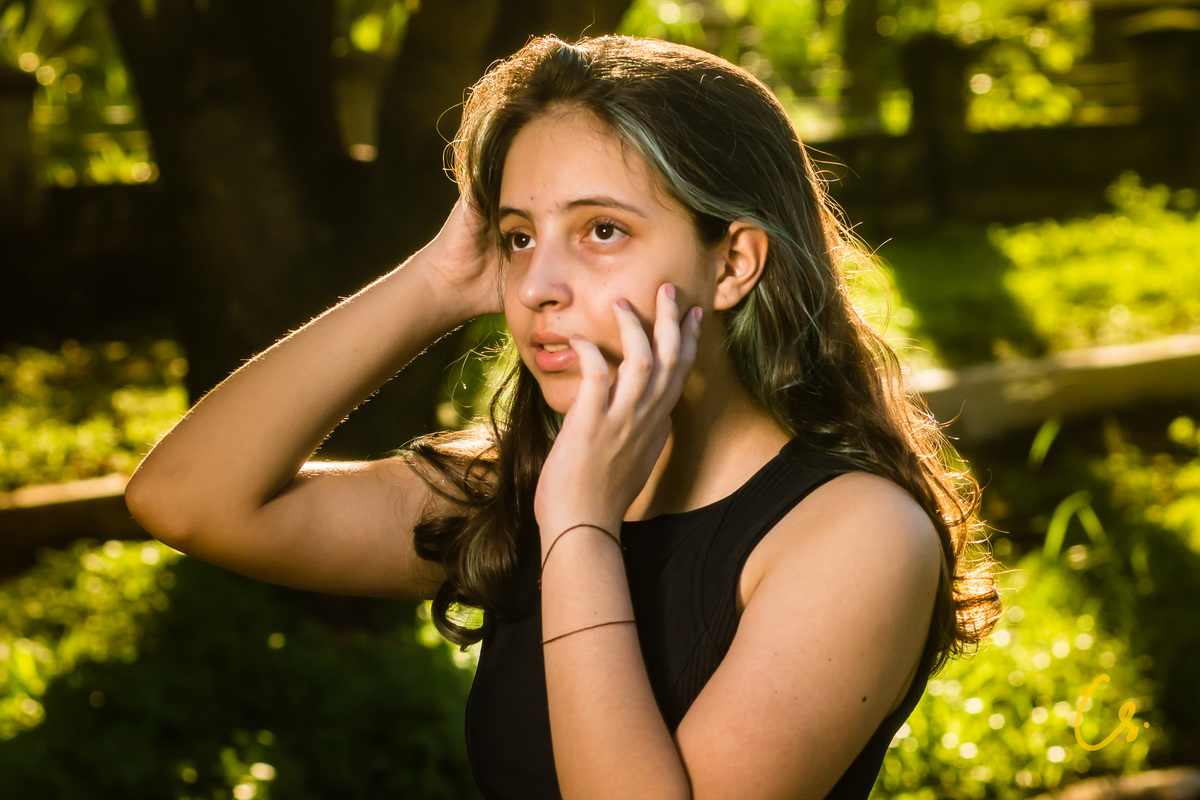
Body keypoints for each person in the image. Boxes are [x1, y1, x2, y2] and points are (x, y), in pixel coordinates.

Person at [126, 34, 1001, 799]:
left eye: (602, 231)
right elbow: (188, 499)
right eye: (518, 237)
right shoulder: (519, 486)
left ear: (733, 262)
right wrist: (434, 284)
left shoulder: (858, 537)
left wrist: (579, 523)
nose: (537, 287)